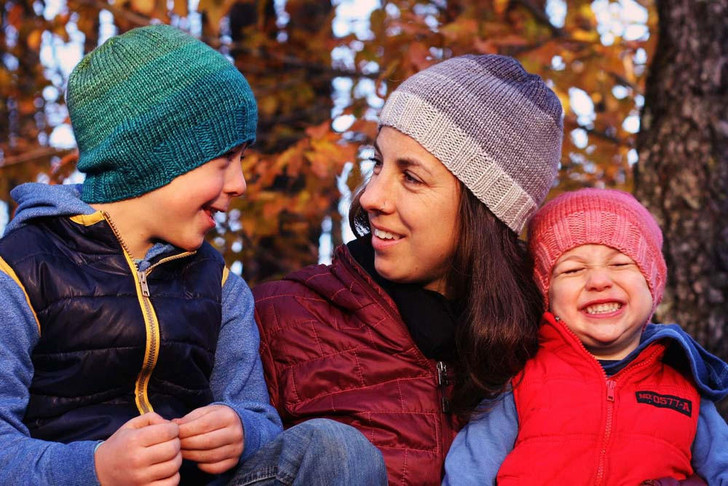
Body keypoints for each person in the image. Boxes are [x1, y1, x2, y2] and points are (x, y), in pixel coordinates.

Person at [0, 24, 385, 485]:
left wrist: (241, 430)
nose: (240, 184)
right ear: (154, 160)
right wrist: (95, 469)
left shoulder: (219, 287)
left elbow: (257, 414)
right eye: (224, 163)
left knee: (335, 448)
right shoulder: (20, 271)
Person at [253, 54, 564, 484]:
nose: (371, 197)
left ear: (485, 212)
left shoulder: (541, 360)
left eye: (411, 177)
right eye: (377, 164)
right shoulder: (275, 318)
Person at [443, 188, 728, 485]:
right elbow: (469, 470)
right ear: (546, 295)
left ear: (652, 283)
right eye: (573, 270)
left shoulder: (686, 384)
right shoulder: (519, 377)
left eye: (620, 263)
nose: (599, 281)